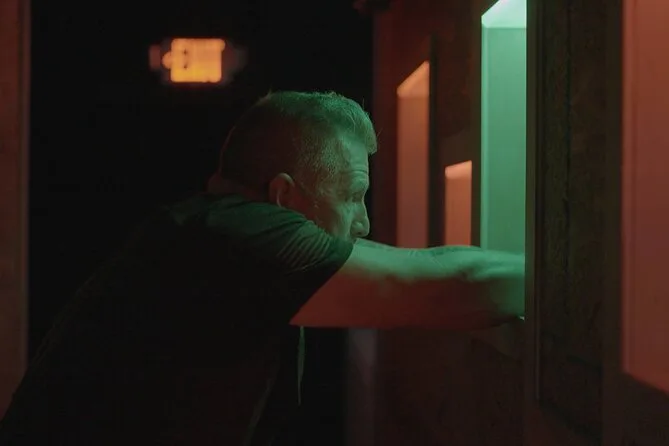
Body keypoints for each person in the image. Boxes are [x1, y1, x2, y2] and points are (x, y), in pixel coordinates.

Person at [0, 91, 524, 445]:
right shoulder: (239, 237)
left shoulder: (210, 233)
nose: (364, 223)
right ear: (283, 196)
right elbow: (451, 287)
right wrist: (559, 276)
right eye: (353, 196)